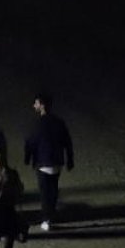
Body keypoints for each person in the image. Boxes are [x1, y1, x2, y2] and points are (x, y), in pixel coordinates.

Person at [24, 92, 74, 232]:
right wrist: (70, 159)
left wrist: (27, 158)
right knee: (53, 190)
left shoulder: (37, 124)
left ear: (42, 105)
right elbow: (67, 142)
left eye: (36, 103)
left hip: (43, 163)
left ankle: (47, 219)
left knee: (45, 193)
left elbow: (30, 143)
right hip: (57, 162)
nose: (34, 106)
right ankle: (51, 214)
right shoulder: (59, 122)